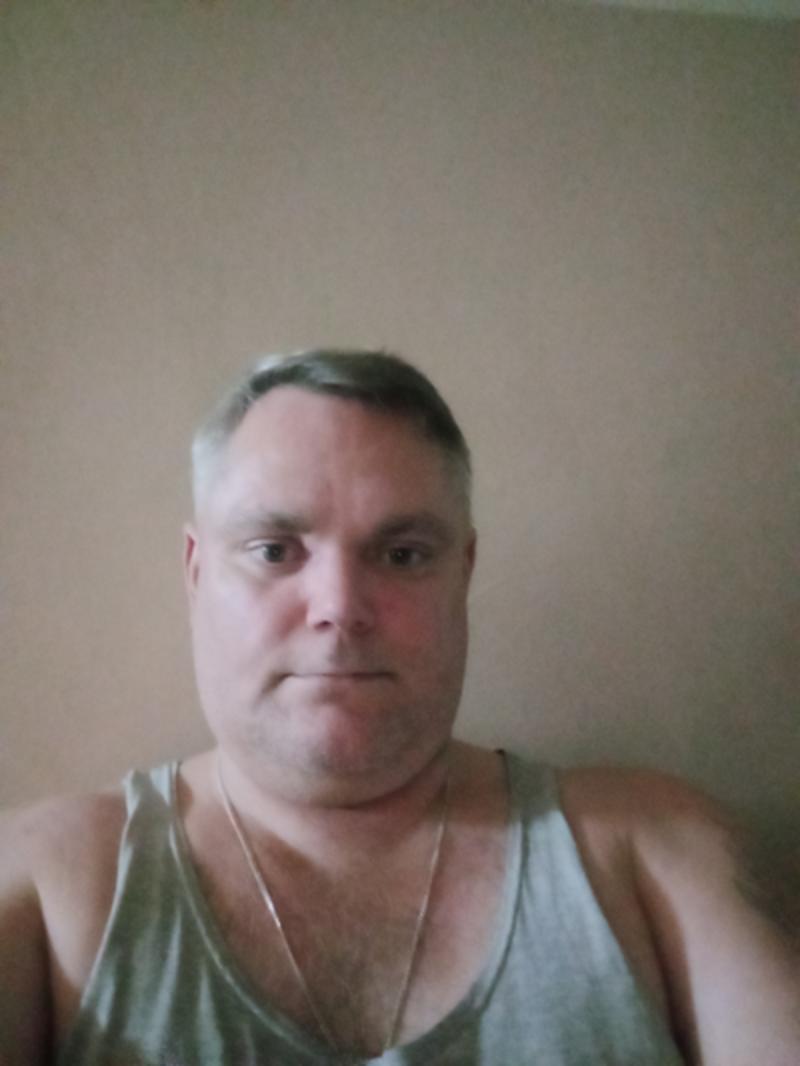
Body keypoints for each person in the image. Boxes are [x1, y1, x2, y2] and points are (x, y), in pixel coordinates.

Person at [1, 349, 797, 1066]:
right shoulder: (50, 889)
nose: (340, 607)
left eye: (404, 554)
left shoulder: (654, 856)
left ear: (464, 573)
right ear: (195, 571)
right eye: (274, 550)